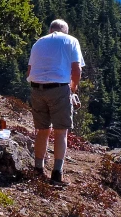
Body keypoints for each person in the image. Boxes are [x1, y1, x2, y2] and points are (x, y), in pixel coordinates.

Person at [27, 19, 85, 186]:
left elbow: (30, 70)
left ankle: (38, 168)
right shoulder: (71, 40)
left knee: (42, 130)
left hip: (36, 89)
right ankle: (57, 173)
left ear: (50, 29)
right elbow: (76, 69)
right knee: (61, 132)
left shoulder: (39, 42)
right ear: (65, 31)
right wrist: (72, 90)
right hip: (59, 89)